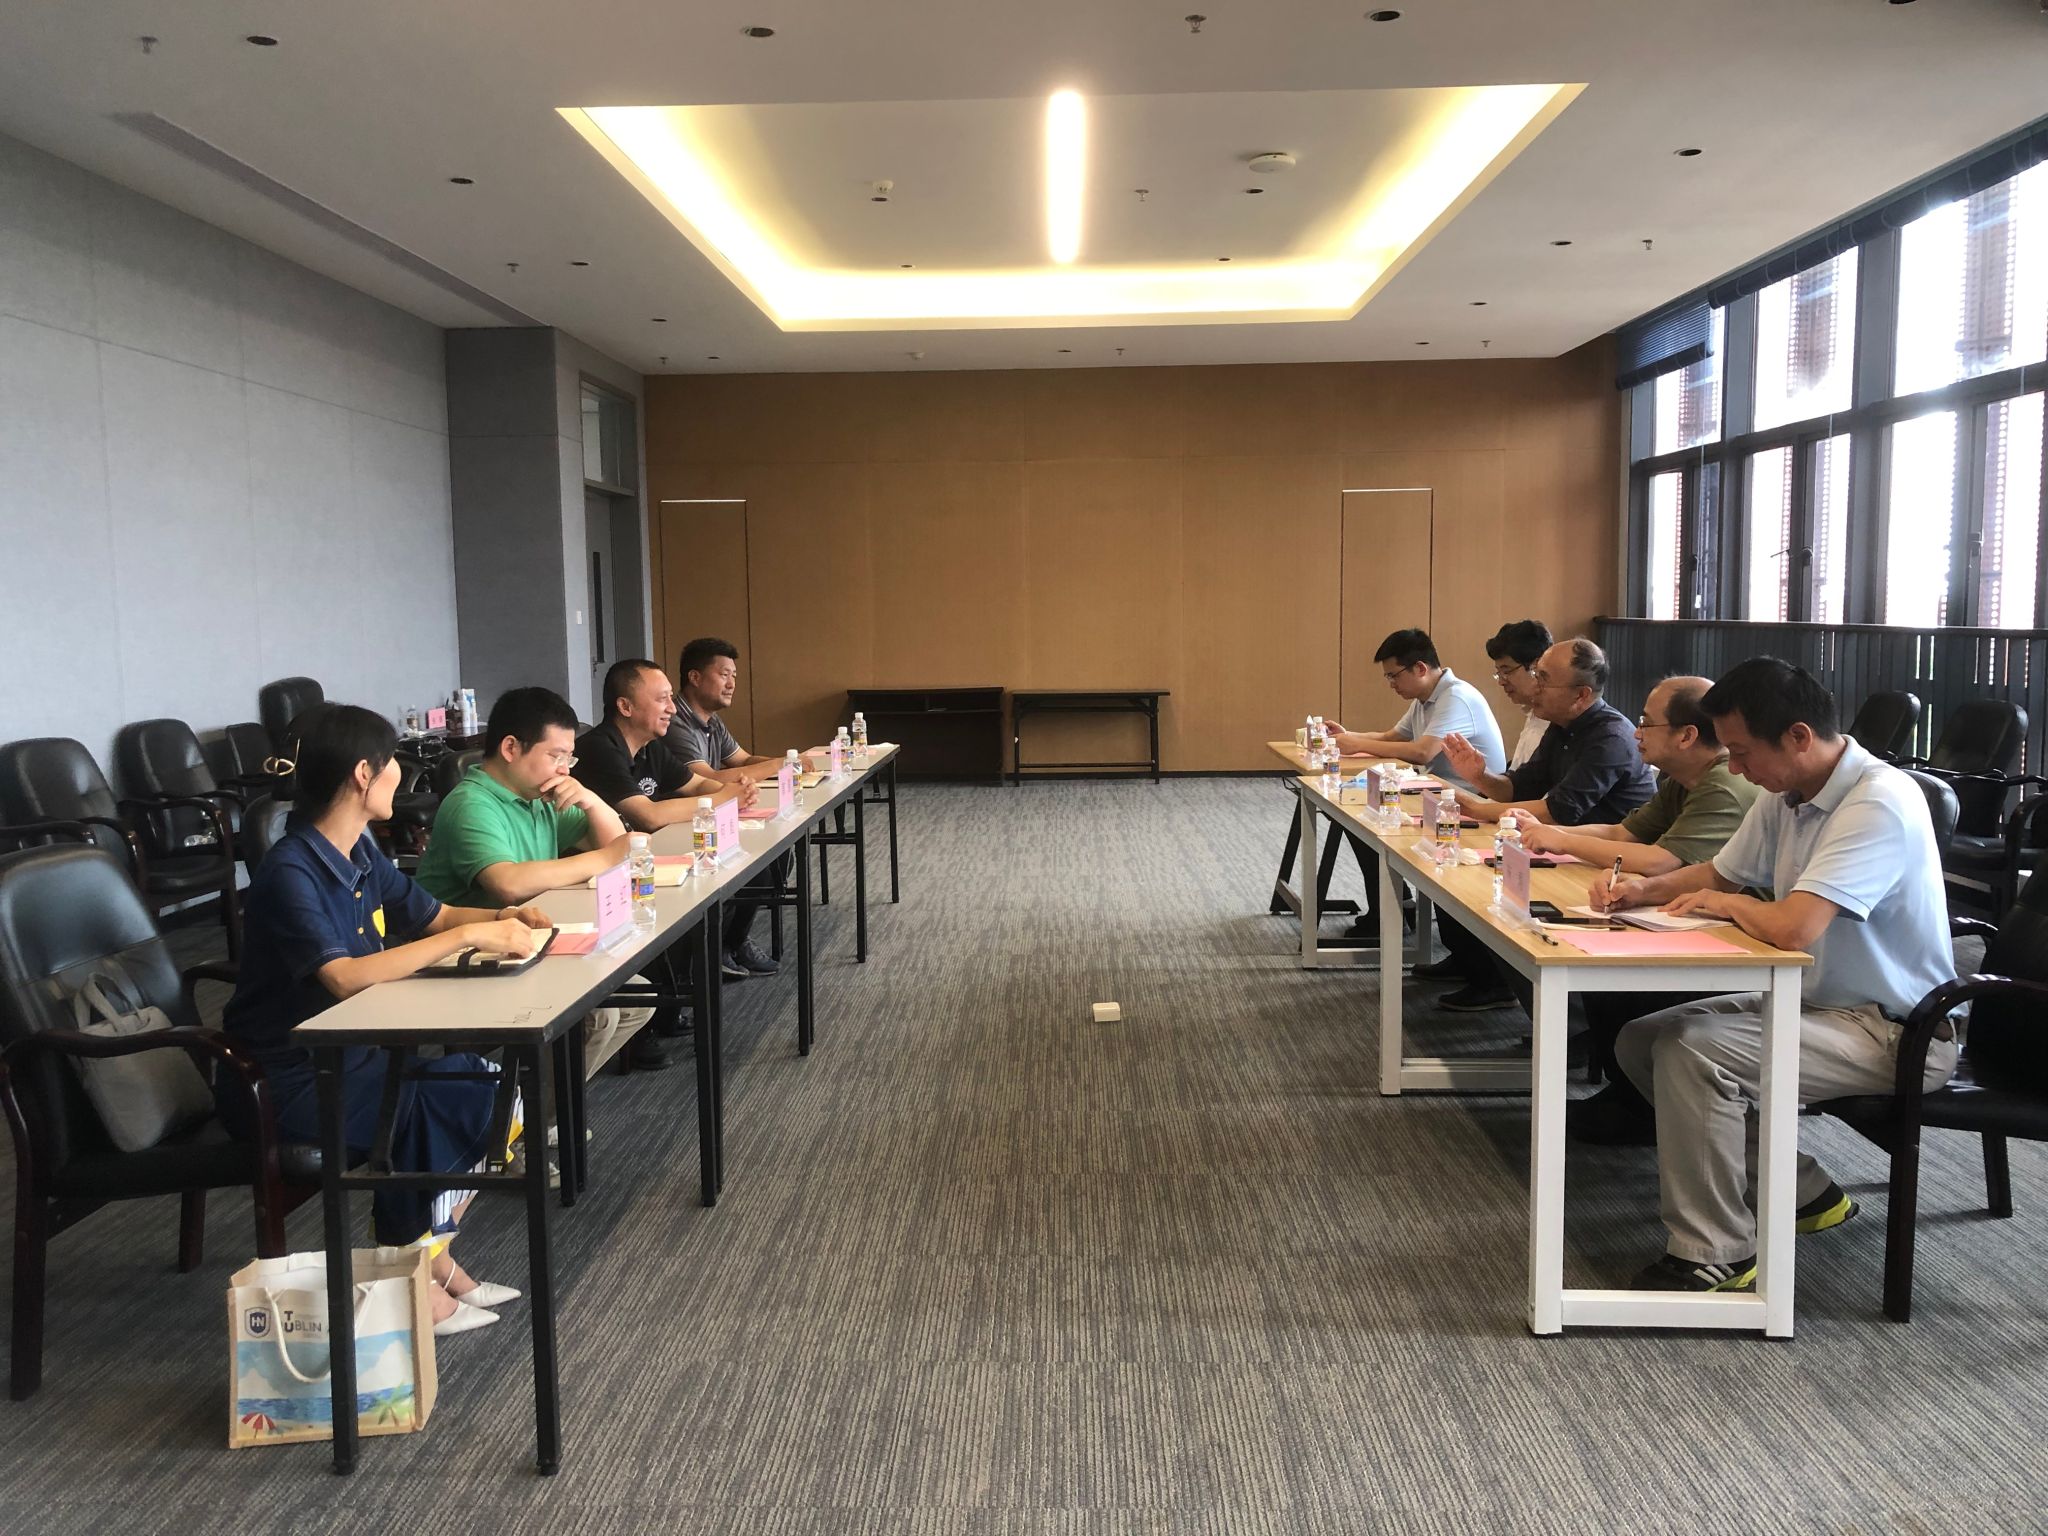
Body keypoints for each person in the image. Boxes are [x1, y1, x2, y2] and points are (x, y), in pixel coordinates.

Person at [1601, 658, 1956, 1292]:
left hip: (1897, 1031)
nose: (1735, 769)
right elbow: (1722, 873)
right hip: (1817, 1002)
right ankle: (1801, 1191)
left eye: (1741, 752)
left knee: (1692, 1051)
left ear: (1798, 736)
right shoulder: (1787, 792)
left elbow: (1793, 927)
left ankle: (1717, 1252)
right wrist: (1643, 890)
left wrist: (1727, 905)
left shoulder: (1877, 800)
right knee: (1640, 1040)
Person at [219, 704, 542, 1336]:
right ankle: (416, 1278)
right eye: (392, 762)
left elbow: (430, 915)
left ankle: (428, 1261)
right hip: (284, 1079)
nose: (401, 773)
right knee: (446, 1100)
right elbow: (341, 976)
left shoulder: (358, 851)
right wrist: (465, 937)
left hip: (352, 1054)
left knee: (488, 1086)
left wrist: (506, 918)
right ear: (364, 774)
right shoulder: (291, 870)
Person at [1511, 676, 1764, 1141]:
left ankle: (1640, 1106)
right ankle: (1630, 1096)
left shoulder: (1723, 784)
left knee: (1619, 976)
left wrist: (1561, 839)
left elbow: (1661, 861)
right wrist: (1547, 833)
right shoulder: (1680, 780)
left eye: (1647, 722)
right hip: (1701, 915)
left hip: (1745, 937)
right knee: (1596, 952)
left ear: (1687, 735)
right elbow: (1623, 834)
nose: (1636, 732)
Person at [416, 686, 671, 1073]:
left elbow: (618, 849)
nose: (564, 769)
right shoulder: (472, 804)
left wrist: (590, 799)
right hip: (469, 954)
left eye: (569, 757)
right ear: (510, 748)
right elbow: (507, 884)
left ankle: (537, 1097)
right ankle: (527, 1106)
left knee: (638, 999)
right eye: (555, 756)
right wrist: (604, 857)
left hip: (531, 939)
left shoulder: (540, 797)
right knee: (601, 1015)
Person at [1425, 638, 1656, 1010]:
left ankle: (1520, 995)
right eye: (1536, 674)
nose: (1534, 686)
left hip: (1604, 863)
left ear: (1581, 695)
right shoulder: (1562, 727)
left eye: (1544, 679)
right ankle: (1475, 965)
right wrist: (1481, 777)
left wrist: (1479, 808)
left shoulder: (1610, 738)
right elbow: (1521, 786)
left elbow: (1558, 811)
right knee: (1456, 867)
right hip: (1565, 850)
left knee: (1489, 883)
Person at [572, 660, 770, 980]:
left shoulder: (651, 747)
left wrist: (736, 790)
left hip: (644, 857)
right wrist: (722, 798)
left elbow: (697, 784)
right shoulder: (599, 748)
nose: (672, 709)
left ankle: (722, 950)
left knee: (750, 868)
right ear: (625, 706)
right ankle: (684, 980)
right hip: (602, 875)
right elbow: (648, 816)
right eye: (661, 699)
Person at [1324, 628, 1505, 945]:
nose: (1391, 684)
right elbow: (1392, 737)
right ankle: (1394, 908)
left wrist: (1356, 744)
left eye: (1394, 676)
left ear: (1420, 668)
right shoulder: (1426, 697)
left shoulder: (1456, 697)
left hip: (1472, 800)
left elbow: (1422, 752)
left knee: (1373, 820)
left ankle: (1393, 914)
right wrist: (1348, 737)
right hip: (1439, 793)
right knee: (1361, 816)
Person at [667, 638, 795, 977]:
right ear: (695, 677)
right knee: (758, 865)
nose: (732, 683)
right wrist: (779, 764)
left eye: (734, 676)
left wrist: (793, 764)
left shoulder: (711, 720)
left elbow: (742, 760)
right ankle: (721, 946)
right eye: (724, 674)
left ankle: (732, 942)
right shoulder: (676, 721)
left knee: (775, 853)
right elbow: (708, 777)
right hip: (683, 823)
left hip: (712, 815)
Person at [1484, 619, 1554, 771]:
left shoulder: (1558, 722)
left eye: (1507, 671)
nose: (1501, 681)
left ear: (1537, 667)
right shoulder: (1533, 713)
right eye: (1498, 673)